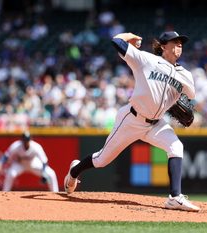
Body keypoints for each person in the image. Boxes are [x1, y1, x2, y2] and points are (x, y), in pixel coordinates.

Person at [64, 31, 200, 212]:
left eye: (181, 43)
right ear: (163, 46)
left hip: (156, 123)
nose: (179, 46)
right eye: (175, 42)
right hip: (132, 119)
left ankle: (175, 198)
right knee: (102, 160)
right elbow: (117, 42)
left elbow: (190, 97)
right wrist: (130, 36)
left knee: (176, 147)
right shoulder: (146, 59)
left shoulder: (185, 75)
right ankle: (74, 171)